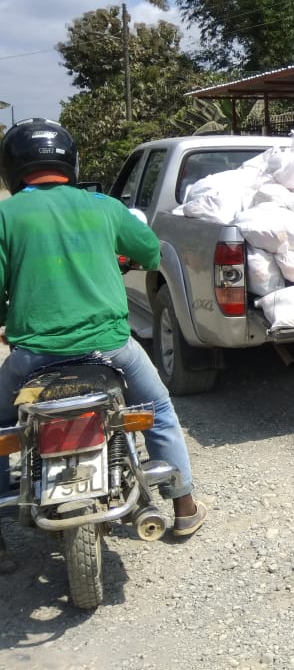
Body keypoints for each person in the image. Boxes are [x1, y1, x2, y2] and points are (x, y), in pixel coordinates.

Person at [0, 119, 207, 537]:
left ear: (11, 167)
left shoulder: (5, 215)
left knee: (4, 427)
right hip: (110, 349)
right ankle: (184, 505)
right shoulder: (104, 206)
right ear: (70, 162)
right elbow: (149, 251)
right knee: (158, 411)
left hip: (34, 355)